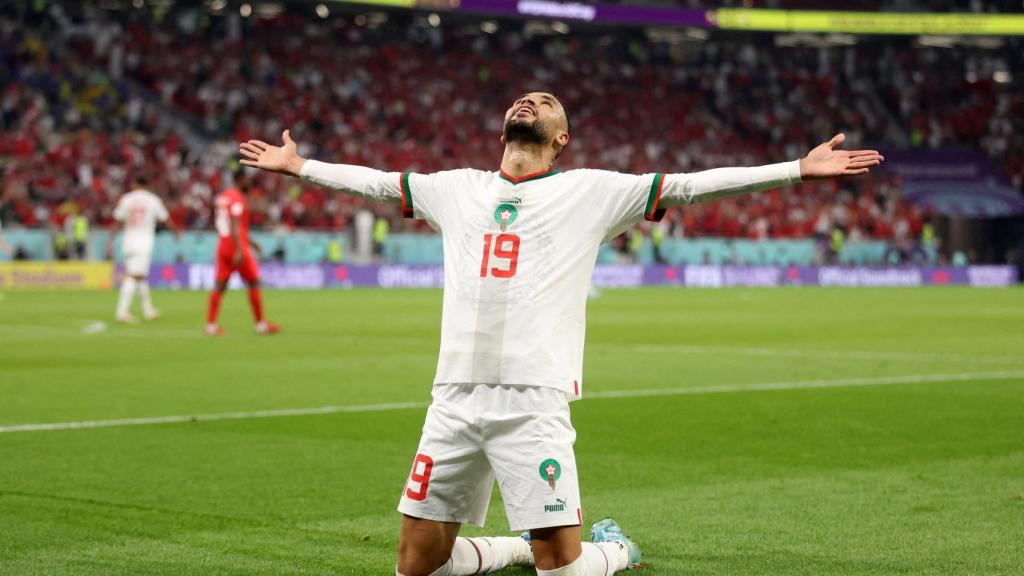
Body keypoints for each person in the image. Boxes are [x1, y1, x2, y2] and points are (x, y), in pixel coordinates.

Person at [239, 92, 883, 576]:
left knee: (563, 568)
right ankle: (510, 547)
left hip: (532, 399)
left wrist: (796, 170)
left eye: (546, 103)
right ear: (504, 126)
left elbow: (688, 187)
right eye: (526, 98)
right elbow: (378, 183)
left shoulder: (592, 193)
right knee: (415, 565)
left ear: (561, 138)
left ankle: (613, 551)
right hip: (453, 399)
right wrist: (301, 167)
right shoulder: (453, 189)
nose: (532, 101)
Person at [205, 171, 280, 336]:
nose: (249, 183)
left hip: (223, 244)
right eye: (246, 179)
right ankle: (260, 324)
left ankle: (210, 326)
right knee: (254, 281)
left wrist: (252, 243)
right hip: (235, 246)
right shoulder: (238, 199)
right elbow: (235, 224)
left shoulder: (223, 196)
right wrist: (240, 250)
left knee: (220, 285)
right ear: (239, 179)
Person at [109, 177, 177, 323]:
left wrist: (110, 240)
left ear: (135, 184)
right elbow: (165, 218)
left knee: (140, 277)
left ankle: (148, 311)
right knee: (134, 275)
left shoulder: (126, 199)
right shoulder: (153, 200)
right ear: (146, 186)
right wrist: (175, 232)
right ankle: (122, 311)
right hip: (143, 242)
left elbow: (117, 220)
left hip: (128, 241)